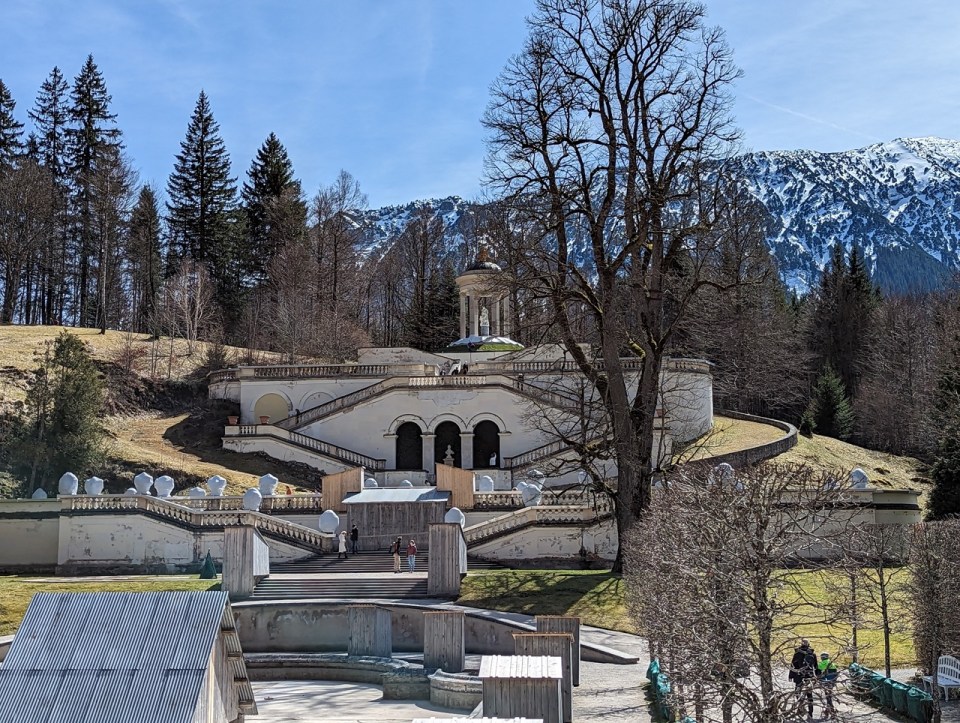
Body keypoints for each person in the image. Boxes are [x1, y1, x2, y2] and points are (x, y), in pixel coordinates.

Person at [790, 639, 817, 719]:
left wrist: (791, 675)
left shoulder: (797, 653)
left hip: (799, 676)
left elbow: (793, 665)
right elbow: (815, 666)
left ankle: (801, 708)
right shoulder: (812, 653)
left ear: (801, 644)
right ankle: (810, 712)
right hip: (809, 676)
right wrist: (816, 676)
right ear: (808, 644)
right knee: (809, 694)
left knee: (797, 693)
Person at [817, 652, 839, 717]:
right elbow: (836, 673)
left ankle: (832, 711)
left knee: (828, 697)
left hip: (825, 682)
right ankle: (828, 710)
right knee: (829, 696)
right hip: (832, 682)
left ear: (822, 657)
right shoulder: (832, 663)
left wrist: (819, 681)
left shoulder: (821, 664)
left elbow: (818, 674)